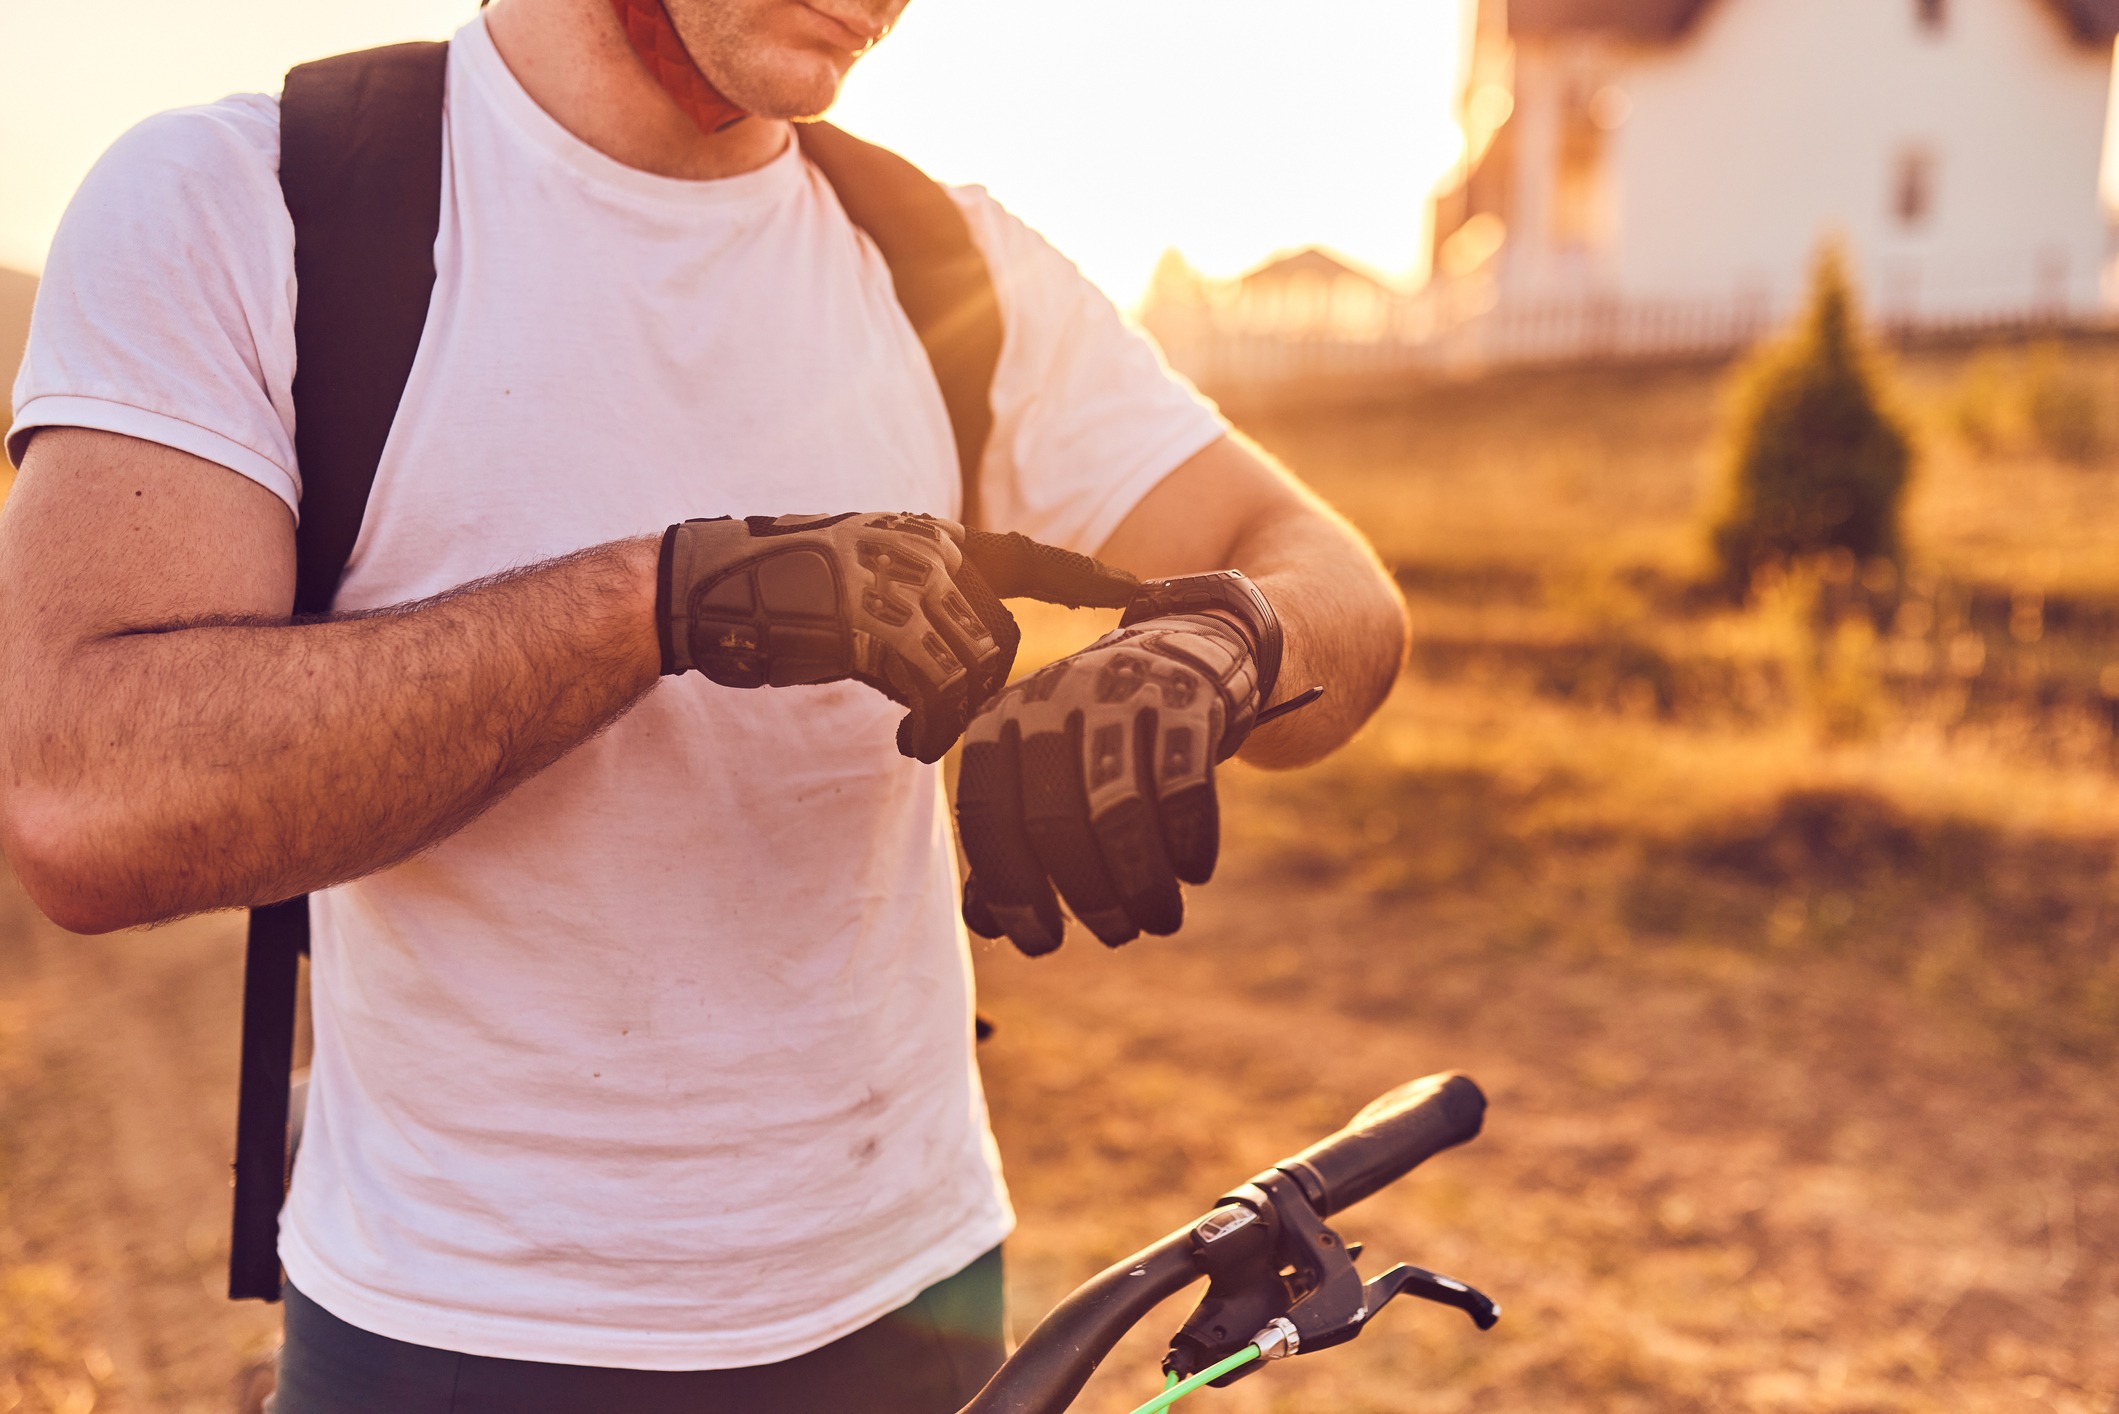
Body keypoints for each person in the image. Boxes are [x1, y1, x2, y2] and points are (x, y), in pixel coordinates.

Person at [0, 0, 1408, 1409]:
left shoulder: (947, 264)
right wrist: (654, 603)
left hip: (918, 1306)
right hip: (451, 1337)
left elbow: (1334, 583)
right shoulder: (257, 205)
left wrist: (1224, 646)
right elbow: (82, 802)